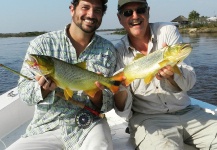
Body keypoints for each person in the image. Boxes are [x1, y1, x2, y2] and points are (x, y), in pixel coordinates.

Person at [7, 0, 117, 150]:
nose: (91, 14)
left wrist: (97, 96)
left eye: (97, 10)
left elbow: (110, 103)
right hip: (46, 126)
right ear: (72, 9)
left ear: (102, 14)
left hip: (90, 124)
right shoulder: (41, 44)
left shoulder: (108, 50)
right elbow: (25, 95)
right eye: (85, 7)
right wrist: (43, 89)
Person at [114, 0, 217, 149]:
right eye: (128, 13)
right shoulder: (117, 52)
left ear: (148, 11)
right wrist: (118, 89)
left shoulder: (167, 31)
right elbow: (123, 110)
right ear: (120, 18)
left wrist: (172, 76)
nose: (135, 16)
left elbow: (190, 82)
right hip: (149, 119)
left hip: (188, 112)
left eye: (140, 10)